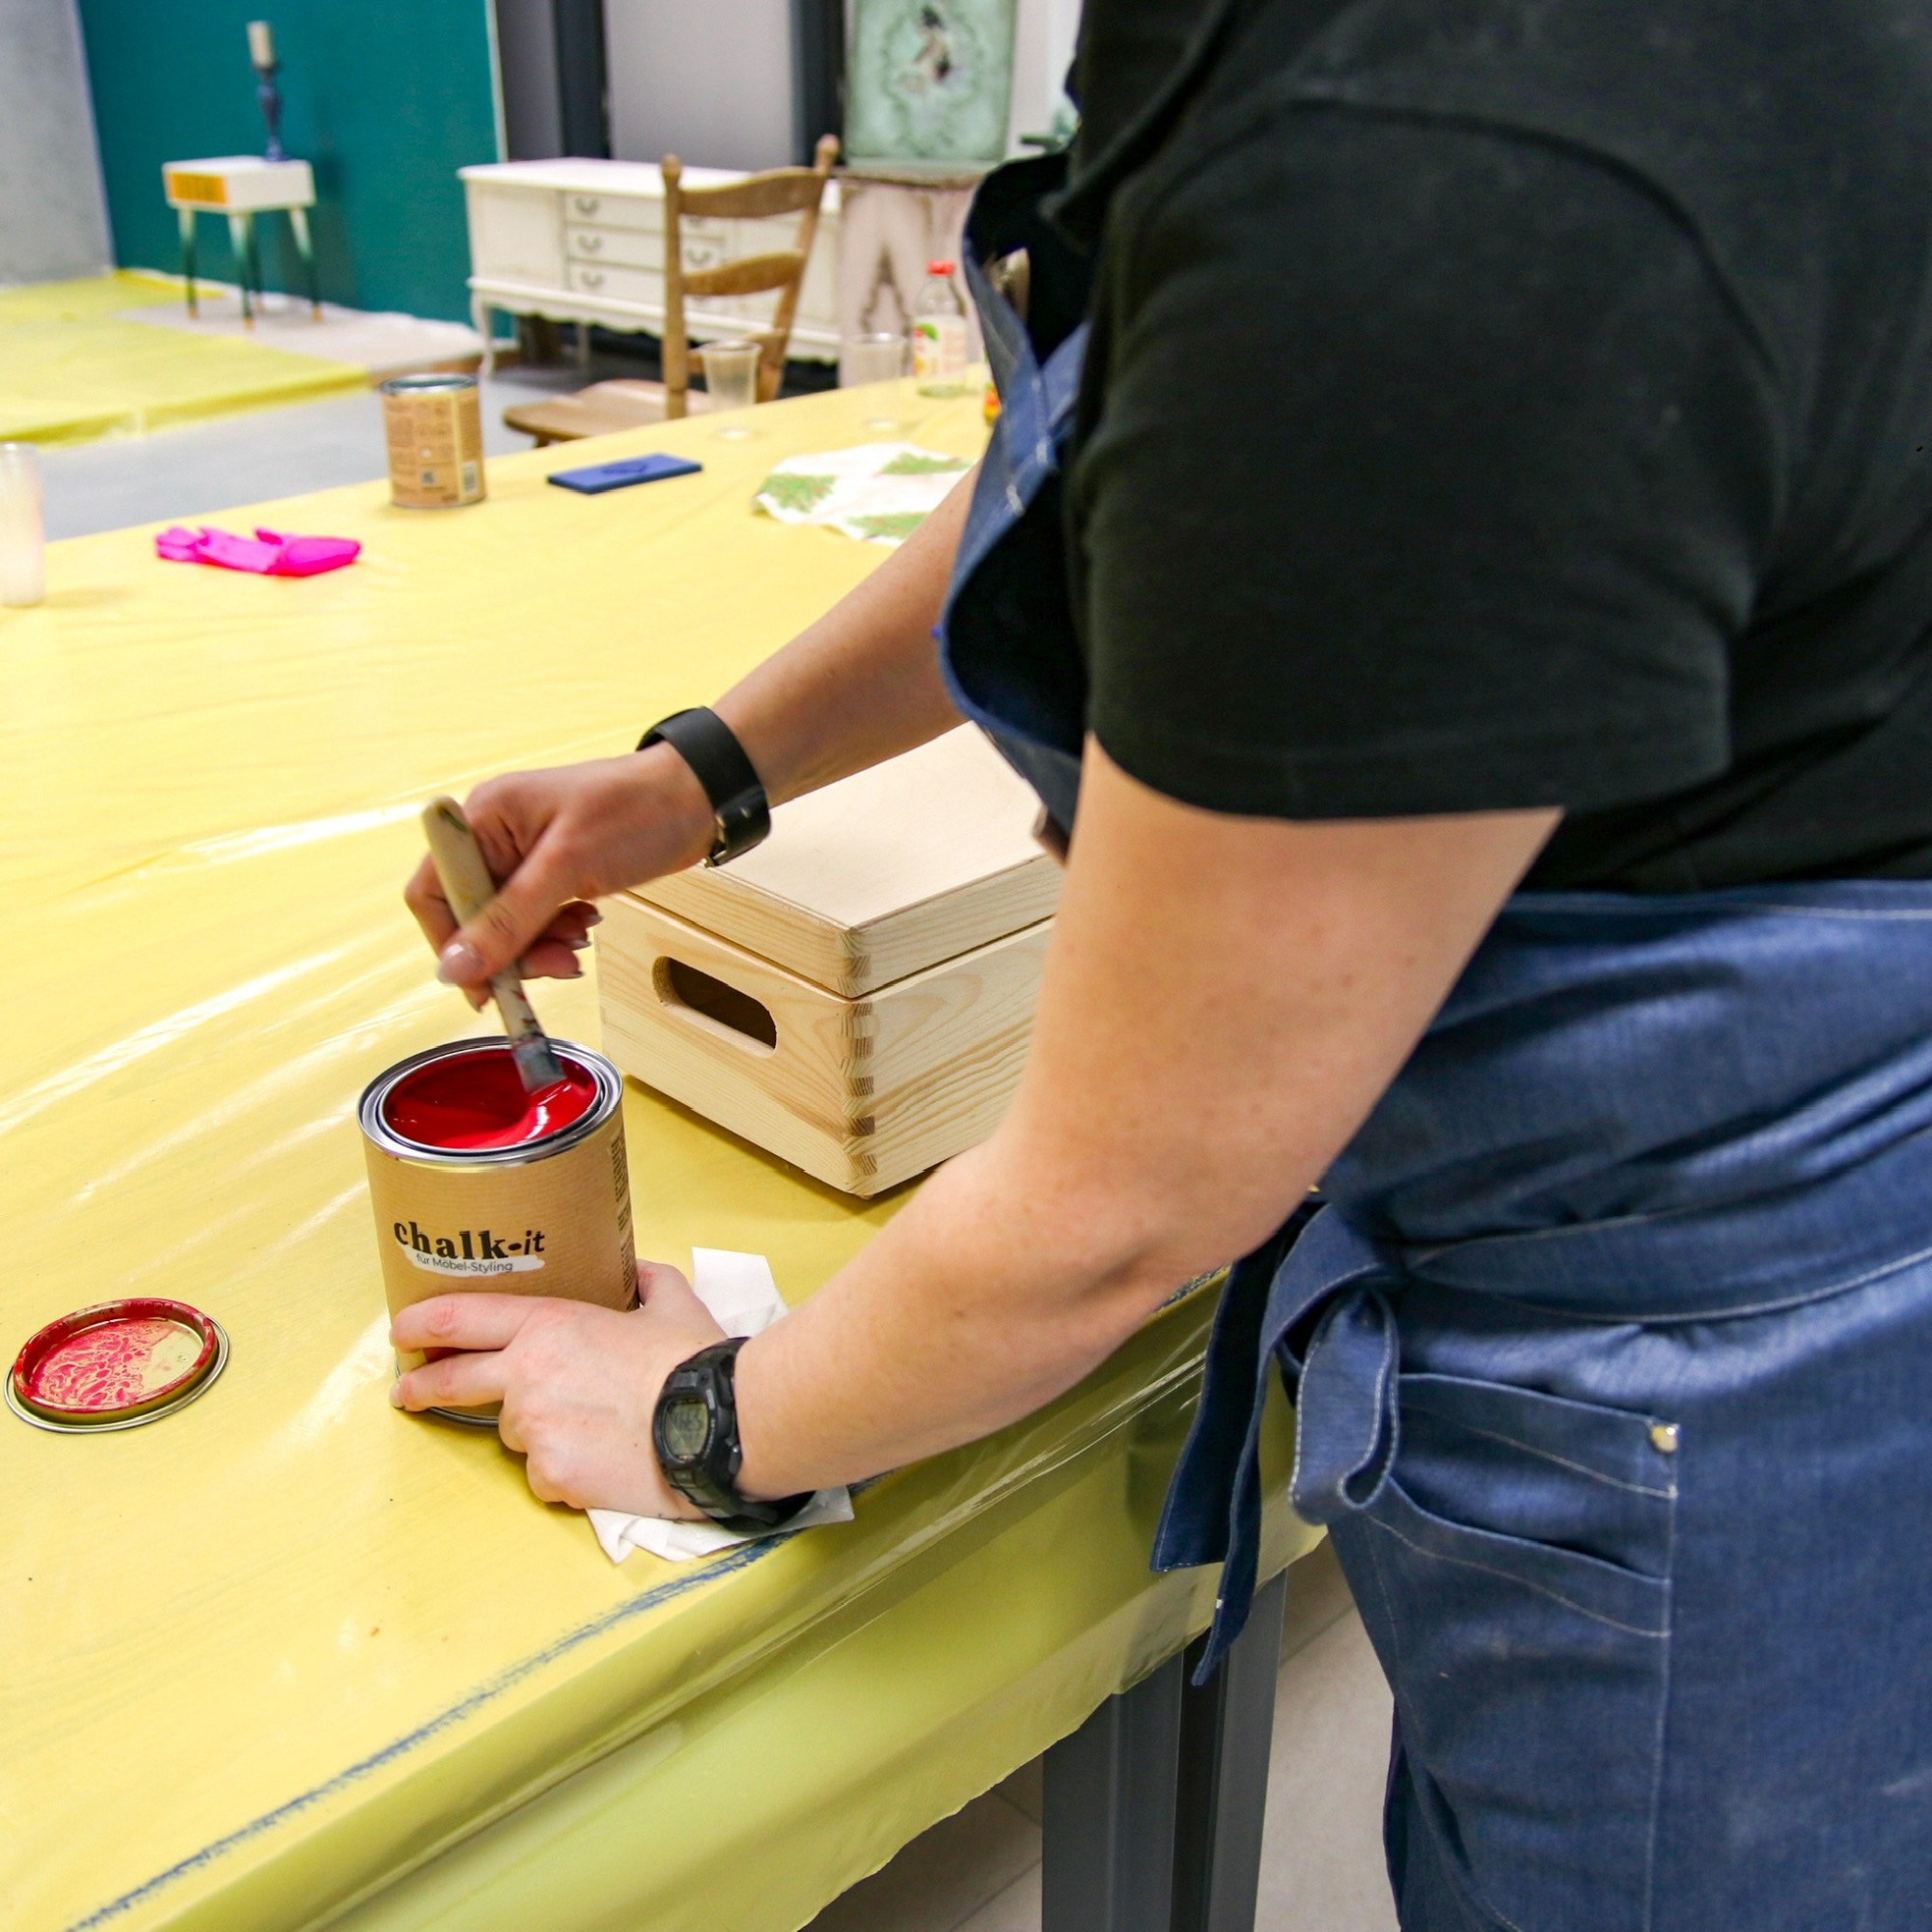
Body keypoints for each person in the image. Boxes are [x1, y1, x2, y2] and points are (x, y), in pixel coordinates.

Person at [395, 0, 1932, 1923]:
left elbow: (1118, 1211)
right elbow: (1124, 455)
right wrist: (703, 777)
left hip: (1736, 1374)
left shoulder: (1433, 167)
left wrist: (703, 1420)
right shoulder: (1296, 93)